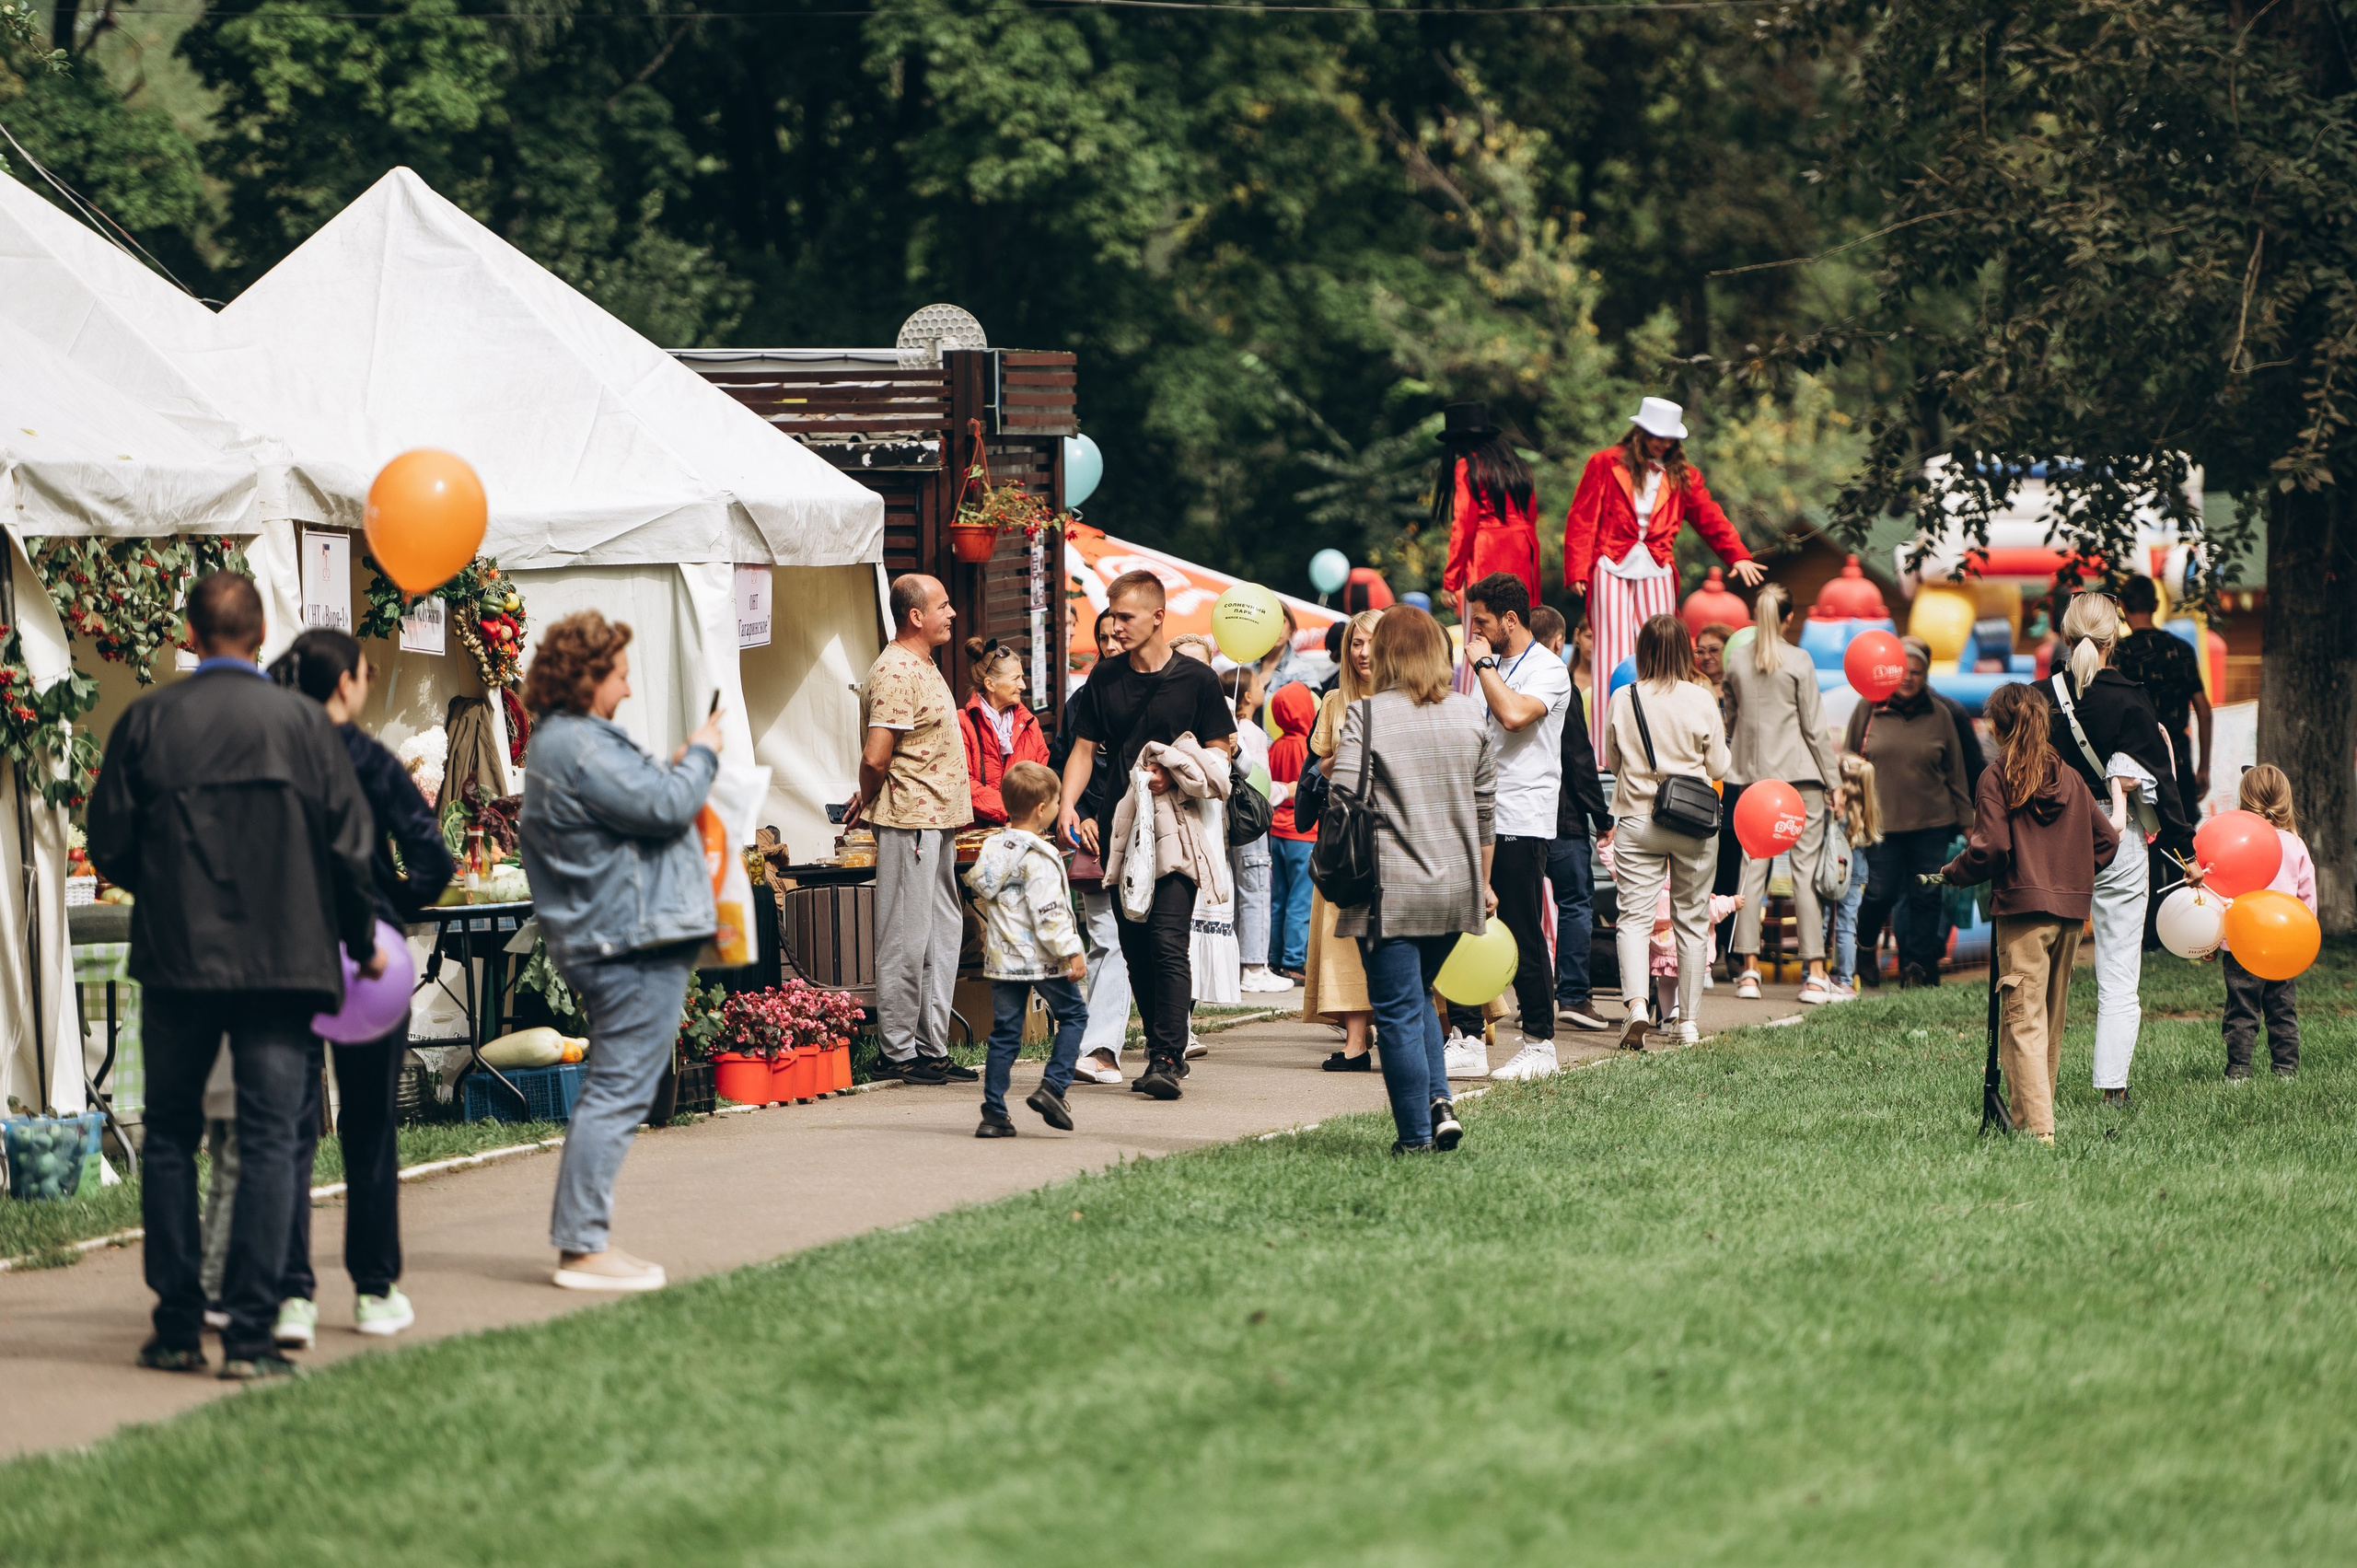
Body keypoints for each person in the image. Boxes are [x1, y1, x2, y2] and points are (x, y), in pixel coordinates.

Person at [87, 571, 382, 1380]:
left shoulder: (148, 718)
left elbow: (107, 841)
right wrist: (359, 941)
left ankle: (178, 1324)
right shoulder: (304, 725)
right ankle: (251, 1336)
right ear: (260, 636)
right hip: (285, 963)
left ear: (191, 630)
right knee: (267, 1139)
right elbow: (349, 850)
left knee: (174, 1140)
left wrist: (169, 885)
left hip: (180, 958)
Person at [517, 610, 724, 1293]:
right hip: (627, 939)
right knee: (616, 1090)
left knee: (615, 1087)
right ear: (589, 675)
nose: (629, 689)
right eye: (622, 675)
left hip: (616, 935)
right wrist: (700, 753)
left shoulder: (564, 742)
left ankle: (586, 1240)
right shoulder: (577, 743)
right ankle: (582, 1246)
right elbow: (665, 805)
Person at [266, 630, 454, 1348]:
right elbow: (431, 855)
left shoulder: (272, 754)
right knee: (370, 1126)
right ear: (344, 683)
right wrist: (396, 902)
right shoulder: (370, 759)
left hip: (284, 950)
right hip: (368, 955)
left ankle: (291, 1295)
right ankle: (374, 1289)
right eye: (365, 674)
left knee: (287, 1130)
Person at [1060, 569, 1238, 1100]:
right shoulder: (1105, 678)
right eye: (1112, 616)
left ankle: (1165, 1055)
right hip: (1123, 831)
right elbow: (1084, 750)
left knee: (1166, 941)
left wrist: (1176, 768)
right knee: (1134, 945)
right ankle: (1163, 1046)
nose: (1115, 625)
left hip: (1180, 828)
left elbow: (1221, 750)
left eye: (1125, 616)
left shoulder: (1197, 680)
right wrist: (1068, 804)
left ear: (1158, 617)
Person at [1327, 605, 1497, 1153]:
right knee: (1419, 993)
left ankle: (1416, 1139)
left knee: (1397, 1009)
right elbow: (1486, 810)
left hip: (1391, 888)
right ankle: (1438, 1101)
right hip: (1457, 887)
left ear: (1385, 654)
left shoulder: (1368, 714)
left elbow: (1344, 795)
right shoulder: (1471, 713)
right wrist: (1485, 885)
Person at [2032, 590, 2196, 1107]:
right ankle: (2112, 1090)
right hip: (2117, 840)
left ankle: (2038, 1086)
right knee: (2119, 972)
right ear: (2113, 640)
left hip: (2051, 839)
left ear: (2063, 635)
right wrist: (2186, 856)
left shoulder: (2036, 697)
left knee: (2040, 974)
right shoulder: (2131, 697)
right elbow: (2163, 786)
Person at [1940, 681, 2120, 1144]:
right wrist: (2073, 878)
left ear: (1999, 728)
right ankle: (2024, 1122)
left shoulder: (1996, 778)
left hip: (2023, 914)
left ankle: (2040, 1135)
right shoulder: (2072, 778)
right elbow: (2108, 841)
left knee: (2022, 1021)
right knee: (2047, 1022)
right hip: (2069, 917)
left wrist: (1954, 872)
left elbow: (1991, 848)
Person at [849, 574, 977, 1086]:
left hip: (939, 821)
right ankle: (897, 1051)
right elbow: (876, 756)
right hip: (912, 821)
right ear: (915, 616)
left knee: (942, 935)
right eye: (943, 606)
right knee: (906, 936)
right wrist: (868, 791)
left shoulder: (923, 663)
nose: (952, 614)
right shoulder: (896, 671)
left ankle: (931, 1047)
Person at [1451, 572, 1574, 1081]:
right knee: (1464, 928)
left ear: (1509, 619)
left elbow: (1514, 716)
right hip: (1476, 815)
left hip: (1522, 816)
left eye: (1479, 622)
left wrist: (1481, 665)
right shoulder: (1488, 666)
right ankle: (1466, 1038)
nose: (1472, 633)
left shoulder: (1548, 669)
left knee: (1520, 929)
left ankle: (1541, 1044)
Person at [1562, 397, 1763, 696]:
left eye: (1668, 437)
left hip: (1657, 566)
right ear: (1640, 431)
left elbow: (1709, 517)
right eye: (1656, 434)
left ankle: (1655, 729)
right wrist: (1577, 569)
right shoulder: (1604, 462)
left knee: (1660, 647)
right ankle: (1607, 737)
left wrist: (1738, 555)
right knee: (1611, 649)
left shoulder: (1683, 474)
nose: (1662, 442)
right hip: (1610, 563)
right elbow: (1582, 516)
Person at [1599, 614, 1730, 1050]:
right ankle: (1686, 1022)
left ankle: (1637, 1005)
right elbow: (1718, 767)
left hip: (1637, 820)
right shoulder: (1701, 697)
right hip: (1691, 822)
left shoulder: (1624, 696)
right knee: (1691, 921)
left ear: (1642, 651)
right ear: (1683, 651)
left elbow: (1613, 762)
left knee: (1633, 919)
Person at [1723, 584, 1842, 1004]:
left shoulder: (1736, 662)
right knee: (1804, 875)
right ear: (1788, 618)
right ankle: (1813, 974)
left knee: (1751, 872)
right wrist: (1835, 782)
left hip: (1753, 782)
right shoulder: (1799, 660)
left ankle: (1749, 972)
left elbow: (1730, 724)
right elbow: (1814, 728)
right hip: (1801, 780)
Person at [964, 761, 1091, 1137]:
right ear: (1041, 809)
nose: (1056, 810)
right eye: (1055, 804)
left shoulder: (993, 847)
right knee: (1075, 1016)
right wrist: (1071, 950)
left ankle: (993, 1113)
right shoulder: (1039, 856)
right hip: (1041, 958)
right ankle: (1053, 1087)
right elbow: (1048, 912)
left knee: (1005, 1032)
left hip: (1004, 959)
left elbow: (983, 887)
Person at [1842, 639, 1972, 989]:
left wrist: (1969, 823)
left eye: (1917, 672)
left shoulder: (1941, 714)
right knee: (1880, 893)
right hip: (1881, 825)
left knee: (1927, 894)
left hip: (1932, 823)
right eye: (1903, 671)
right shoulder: (1868, 709)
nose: (1909, 679)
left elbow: (1956, 773)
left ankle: (1916, 966)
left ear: (1926, 676)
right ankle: (1865, 947)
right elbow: (1848, 759)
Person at [1051, 610, 1132, 1086]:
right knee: (1107, 937)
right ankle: (1099, 1047)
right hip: (1095, 839)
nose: (1110, 644)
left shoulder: (1155, 693)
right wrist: (1079, 814)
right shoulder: (1082, 701)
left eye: (1116, 636)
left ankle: (1171, 1036)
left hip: (1145, 836)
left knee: (1145, 942)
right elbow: (1066, 762)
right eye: (1101, 638)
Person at [2115, 574, 2212, 945]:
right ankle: (2185, 924)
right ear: (2156, 605)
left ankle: (2149, 934)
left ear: (2123, 608)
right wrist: (2203, 764)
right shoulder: (2180, 649)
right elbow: (2203, 710)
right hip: (2178, 759)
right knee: (2181, 838)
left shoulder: (2119, 655)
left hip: (2131, 762)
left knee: (2142, 841)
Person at [1304, 610, 1382, 1069]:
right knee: (1344, 936)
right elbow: (1320, 765)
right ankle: (1356, 1043)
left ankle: (1429, 1032)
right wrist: (1344, 755)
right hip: (1346, 833)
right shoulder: (1334, 699)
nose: (1362, 651)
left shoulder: (1408, 696)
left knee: (1398, 935)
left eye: (1371, 642)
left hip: (1395, 830)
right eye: (1355, 643)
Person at [1532, 605, 1613, 1033]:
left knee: (1523, 910)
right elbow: (1579, 757)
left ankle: (1530, 999)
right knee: (1576, 902)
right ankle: (1574, 996)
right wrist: (1601, 815)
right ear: (1559, 642)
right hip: (1561, 816)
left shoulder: (1507, 677)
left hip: (1516, 819)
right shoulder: (1560, 680)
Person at [2219, 764, 2314, 1080]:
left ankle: (2239, 1069)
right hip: (2284, 946)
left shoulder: (2237, 843)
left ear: (2244, 801)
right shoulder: (2295, 845)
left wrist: (2216, 940)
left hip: (2243, 944)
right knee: (2282, 1008)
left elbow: (2222, 894)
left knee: (2241, 1007)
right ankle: (2286, 1068)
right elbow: (2306, 901)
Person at [1173, 636, 1240, 1019]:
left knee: (1198, 925)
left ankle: (1184, 1022)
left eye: (1200, 664)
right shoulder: (1164, 704)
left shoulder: (1222, 709)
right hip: (1170, 827)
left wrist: (1233, 748)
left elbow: (1241, 771)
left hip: (1209, 828)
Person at [1434, 401, 1542, 621]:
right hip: (1524, 549)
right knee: (1519, 622)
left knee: (1483, 626)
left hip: (1488, 552)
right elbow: (1532, 516)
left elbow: (1463, 525)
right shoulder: (1519, 466)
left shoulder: (1467, 466)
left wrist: (1450, 582)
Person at [1225, 663, 1284, 993]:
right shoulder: (1253, 733)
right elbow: (1260, 780)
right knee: (1257, 887)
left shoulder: (1228, 727)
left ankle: (1239, 962)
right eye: (1259, 685)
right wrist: (1284, 791)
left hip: (1230, 819)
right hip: (1252, 819)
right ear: (1247, 695)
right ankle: (1255, 966)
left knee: (1236, 888)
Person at [959, 636, 1051, 827]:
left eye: (1022, 678)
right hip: (978, 837)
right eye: (1015, 679)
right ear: (990, 684)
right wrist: (1012, 813)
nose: (1023, 686)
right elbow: (964, 783)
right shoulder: (964, 723)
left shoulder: (1029, 724)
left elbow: (1042, 778)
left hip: (1022, 830)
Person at [1264, 682, 1319, 981]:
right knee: (1301, 899)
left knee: (1279, 898)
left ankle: (1273, 957)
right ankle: (1294, 961)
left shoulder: (1275, 746)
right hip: (1303, 834)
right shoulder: (1305, 747)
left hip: (1276, 832)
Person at [1826, 751, 1881, 1002]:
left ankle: (1813, 974)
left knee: (1823, 920)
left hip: (1829, 871)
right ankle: (1846, 981)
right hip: (1856, 874)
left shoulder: (1834, 811)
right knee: (1847, 926)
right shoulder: (1866, 809)